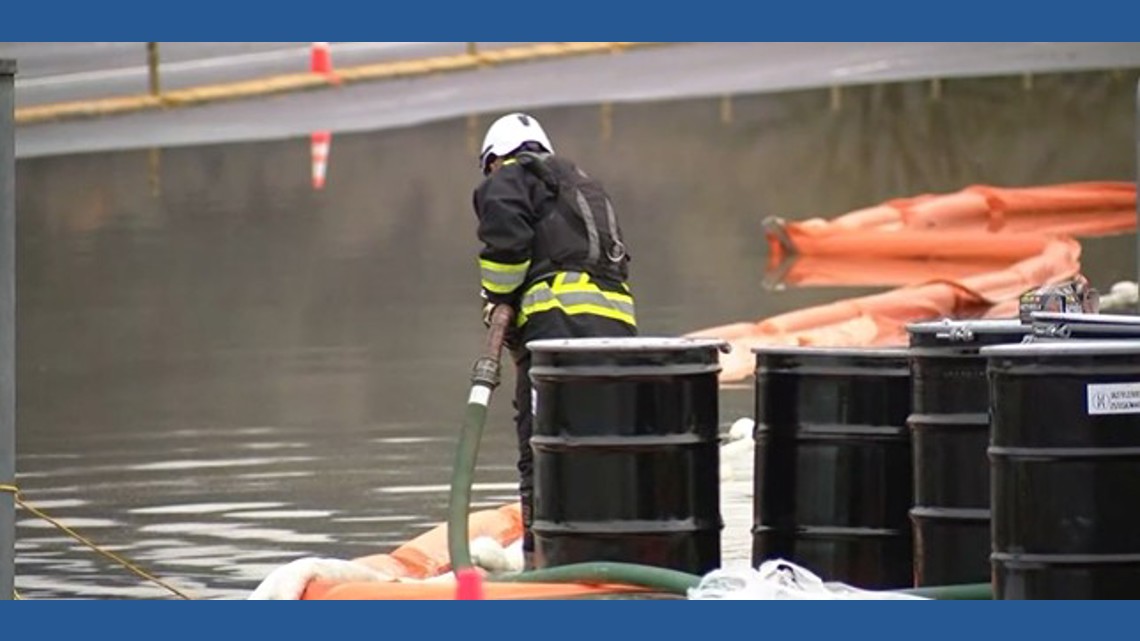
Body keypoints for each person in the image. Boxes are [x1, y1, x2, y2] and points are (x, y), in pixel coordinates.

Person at [471, 112, 638, 568]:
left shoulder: (510, 176)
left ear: (494, 159)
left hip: (558, 334)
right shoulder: (585, 183)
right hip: (618, 334)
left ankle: (542, 559)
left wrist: (497, 298)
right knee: (605, 443)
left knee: (542, 446)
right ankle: (615, 550)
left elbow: (504, 247)